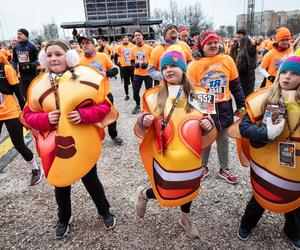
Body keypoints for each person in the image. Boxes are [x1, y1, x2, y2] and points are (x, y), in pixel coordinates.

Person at [22, 40, 117, 238]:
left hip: (82, 141)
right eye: (49, 55)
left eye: (58, 54)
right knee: (61, 183)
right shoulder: (38, 85)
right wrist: (45, 118)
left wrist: (84, 115)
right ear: (43, 59)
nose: (53, 58)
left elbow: (104, 106)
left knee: (91, 180)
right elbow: (28, 115)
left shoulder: (85, 76)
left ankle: (104, 210)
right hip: (55, 145)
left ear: (70, 57)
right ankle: (64, 217)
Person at [134, 47, 216, 239]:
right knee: (167, 186)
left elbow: (209, 120)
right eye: (165, 67)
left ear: (183, 69)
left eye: (174, 66)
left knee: (189, 186)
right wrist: (143, 119)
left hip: (192, 153)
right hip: (166, 151)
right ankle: (145, 194)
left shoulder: (200, 94)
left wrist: (208, 123)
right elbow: (145, 119)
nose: (169, 70)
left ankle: (184, 218)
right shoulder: (153, 95)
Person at [236, 54, 300, 249]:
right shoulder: (266, 99)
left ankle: (293, 230)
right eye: (284, 72)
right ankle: (247, 223)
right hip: (266, 161)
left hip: (295, 165)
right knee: (260, 195)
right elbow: (242, 127)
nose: (287, 77)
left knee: (294, 199)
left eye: (294, 73)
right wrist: (265, 132)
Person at [187, 29, 245, 184]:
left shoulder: (227, 60)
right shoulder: (194, 65)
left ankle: (224, 168)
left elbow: (236, 85)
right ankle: (202, 167)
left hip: (224, 105)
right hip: (205, 106)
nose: (213, 45)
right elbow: (190, 91)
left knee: (224, 138)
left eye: (215, 42)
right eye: (209, 43)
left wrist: (241, 105)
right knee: (205, 138)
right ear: (202, 46)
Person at [0, 54, 42, 186]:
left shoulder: (6, 69)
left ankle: (35, 169)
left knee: (18, 144)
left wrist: (26, 115)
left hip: (10, 112)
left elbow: (19, 94)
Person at [78, 36, 123, 145]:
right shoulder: (78, 60)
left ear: (94, 45)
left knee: (111, 115)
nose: (84, 45)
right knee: (91, 117)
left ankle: (114, 135)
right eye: (83, 43)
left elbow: (115, 69)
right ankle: (94, 136)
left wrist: (106, 73)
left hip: (105, 93)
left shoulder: (102, 56)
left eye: (87, 43)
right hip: (88, 96)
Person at [130, 30, 153, 114]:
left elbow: (154, 60)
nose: (137, 36)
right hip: (137, 74)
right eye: (135, 35)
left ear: (142, 36)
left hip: (148, 74)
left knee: (149, 91)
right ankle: (137, 105)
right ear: (133, 38)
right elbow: (131, 61)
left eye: (139, 35)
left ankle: (150, 107)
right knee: (135, 91)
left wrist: (147, 65)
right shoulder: (132, 49)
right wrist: (134, 65)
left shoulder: (149, 48)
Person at [12, 29, 39, 97]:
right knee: (25, 93)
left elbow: (38, 61)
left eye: (20, 34)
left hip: (32, 73)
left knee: (34, 93)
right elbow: (14, 59)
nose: (18, 35)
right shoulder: (16, 47)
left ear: (26, 35)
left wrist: (31, 64)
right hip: (22, 74)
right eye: (17, 34)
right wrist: (14, 67)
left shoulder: (32, 46)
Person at [116, 35, 134, 100]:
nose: (126, 40)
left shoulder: (132, 45)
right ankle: (127, 95)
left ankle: (135, 93)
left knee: (133, 81)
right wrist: (118, 63)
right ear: (122, 40)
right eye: (124, 39)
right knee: (126, 82)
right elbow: (116, 55)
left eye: (127, 39)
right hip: (124, 67)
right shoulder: (119, 47)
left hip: (131, 66)